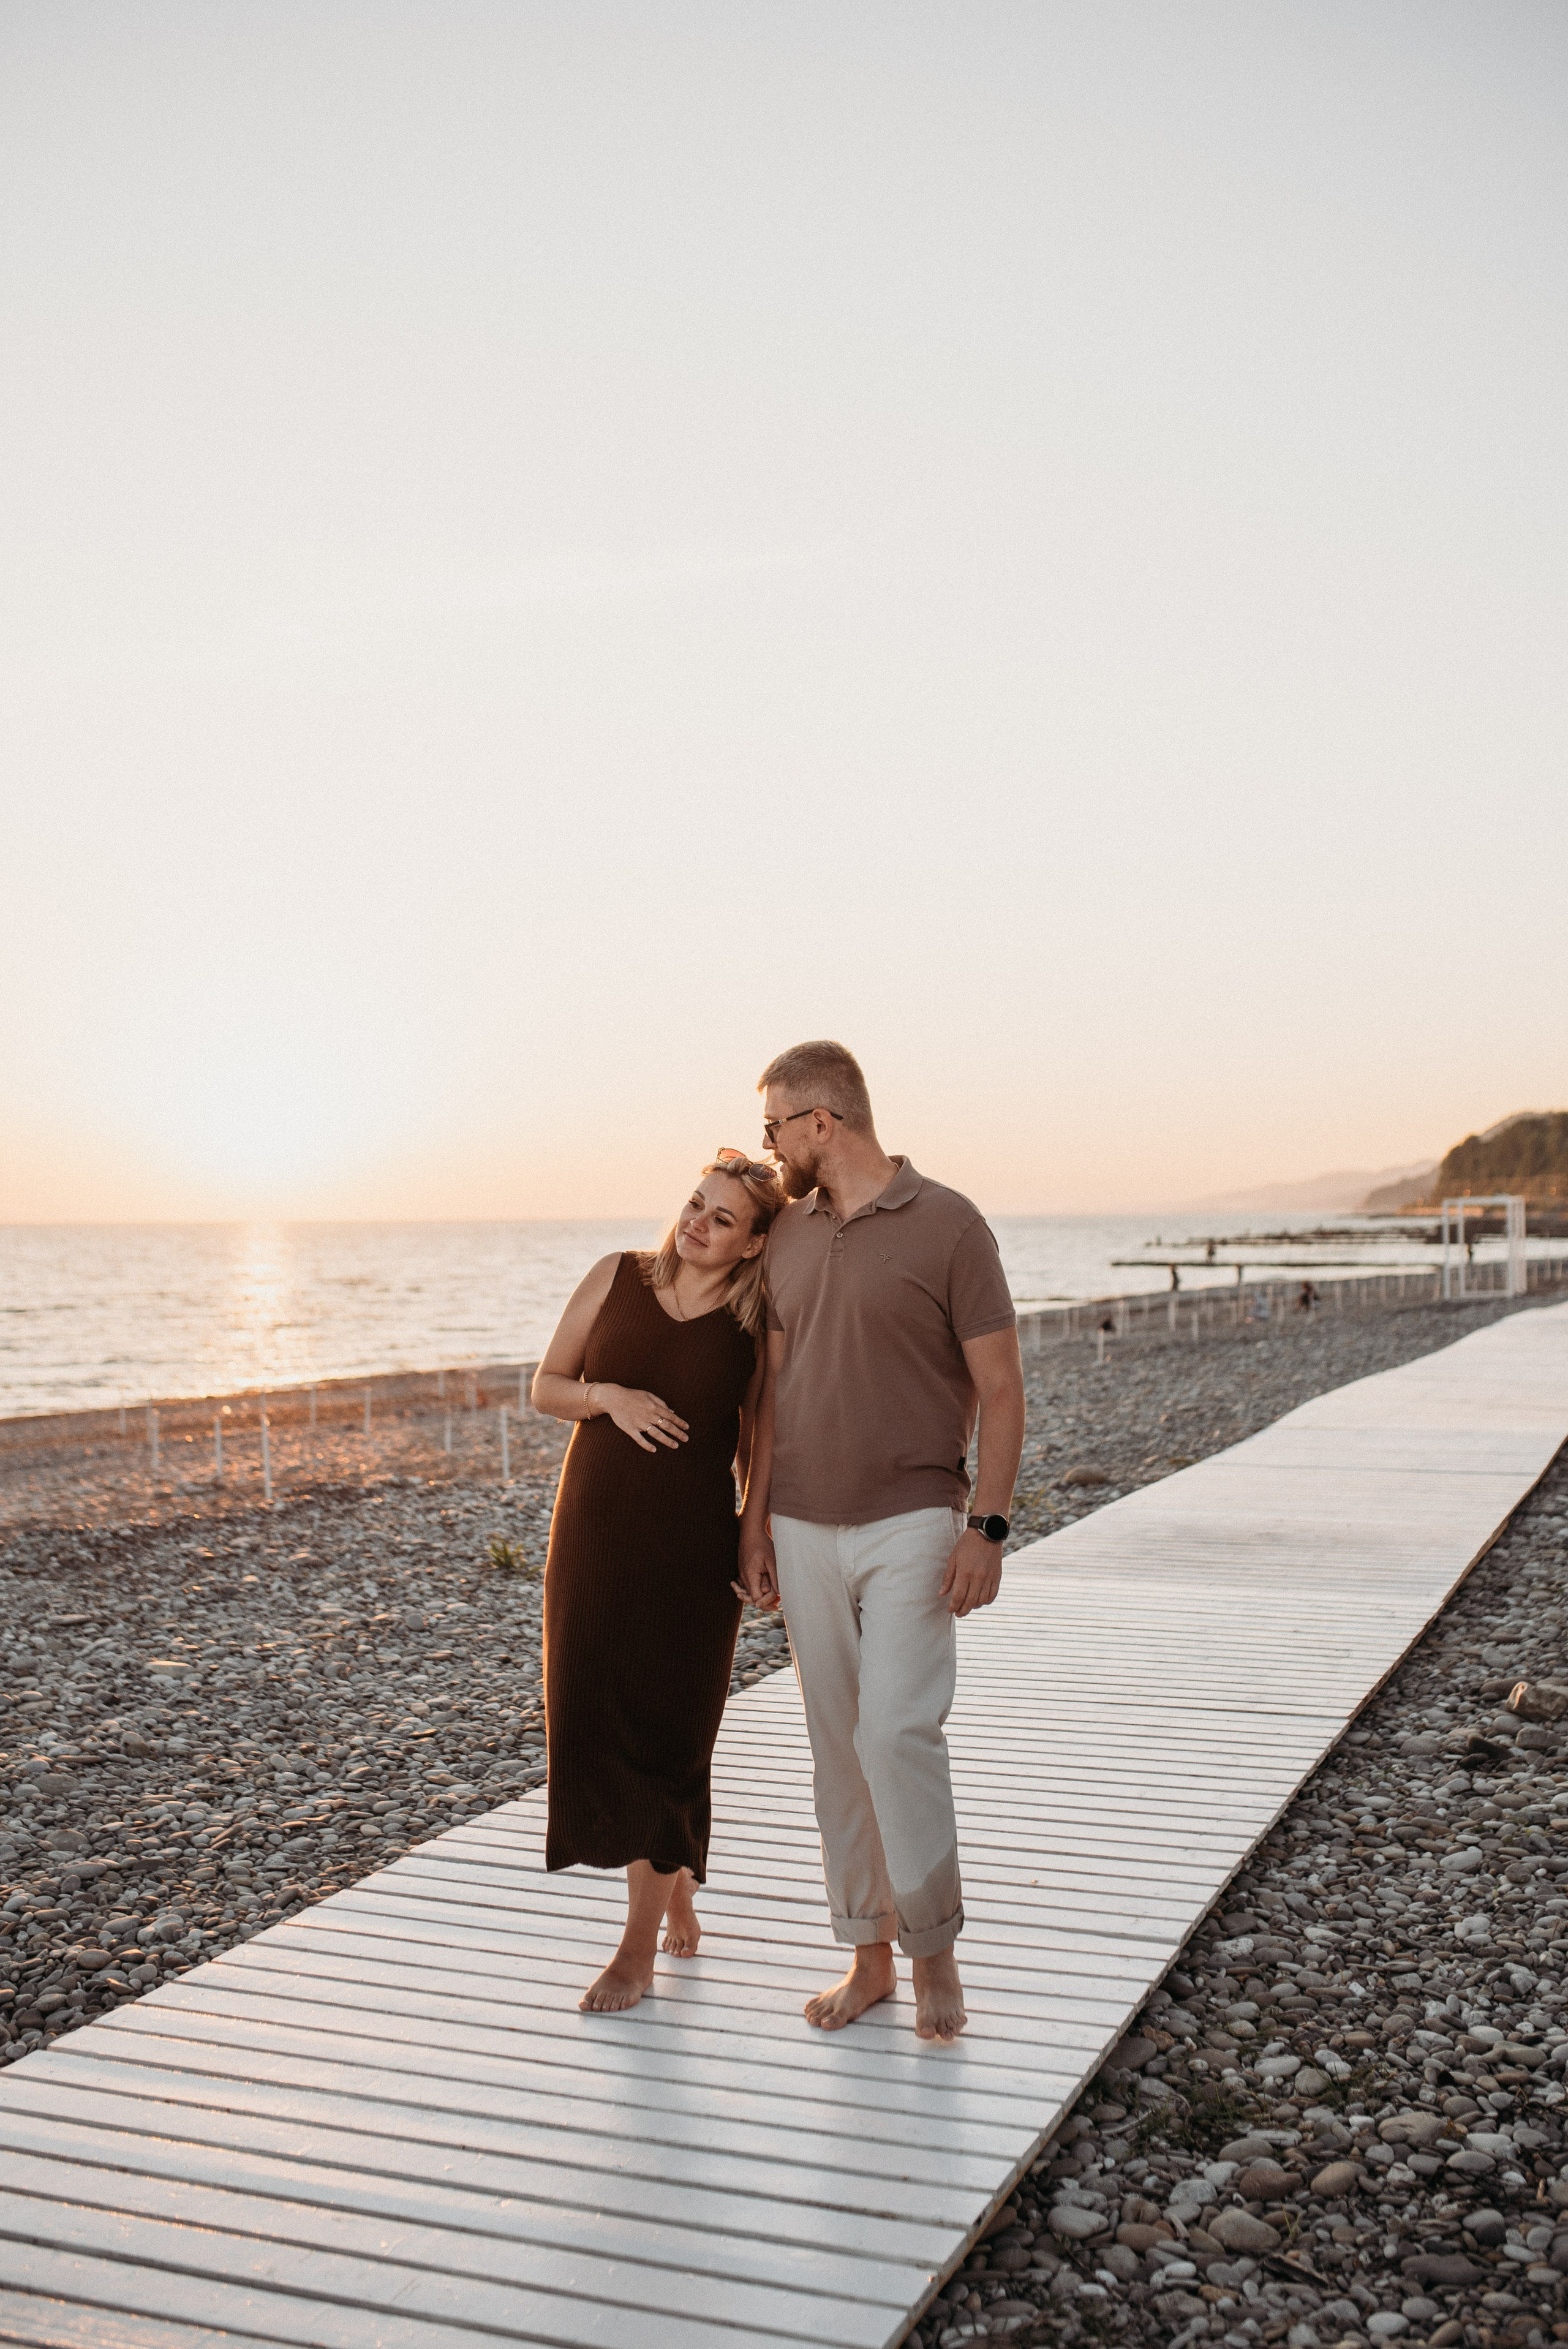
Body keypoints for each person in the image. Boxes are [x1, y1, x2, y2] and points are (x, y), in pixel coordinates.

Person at [739, 1041, 1025, 2042]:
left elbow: (1001, 1391)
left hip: (913, 1517)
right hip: (801, 1522)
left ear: (824, 1123)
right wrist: (753, 1518)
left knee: (896, 1731)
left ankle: (934, 1953)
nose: (767, 1142)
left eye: (776, 1124)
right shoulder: (784, 1237)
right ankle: (867, 1957)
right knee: (834, 1748)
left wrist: (986, 1528)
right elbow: (768, 1394)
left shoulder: (951, 1224)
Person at [532, 1152, 783, 2012]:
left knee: (674, 1731)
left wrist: (756, 1533)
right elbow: (546, 1387)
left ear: (752, 1245)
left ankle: (635, 1949)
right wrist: (610, 1397)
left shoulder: (754, 1324)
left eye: (722, 1219)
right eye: (694, 1204)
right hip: (596, 1536)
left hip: (691, 1551)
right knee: (591, 1710)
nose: (698, 1223)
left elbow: (763, 1441)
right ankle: (668, 1876)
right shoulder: (617, 1277)